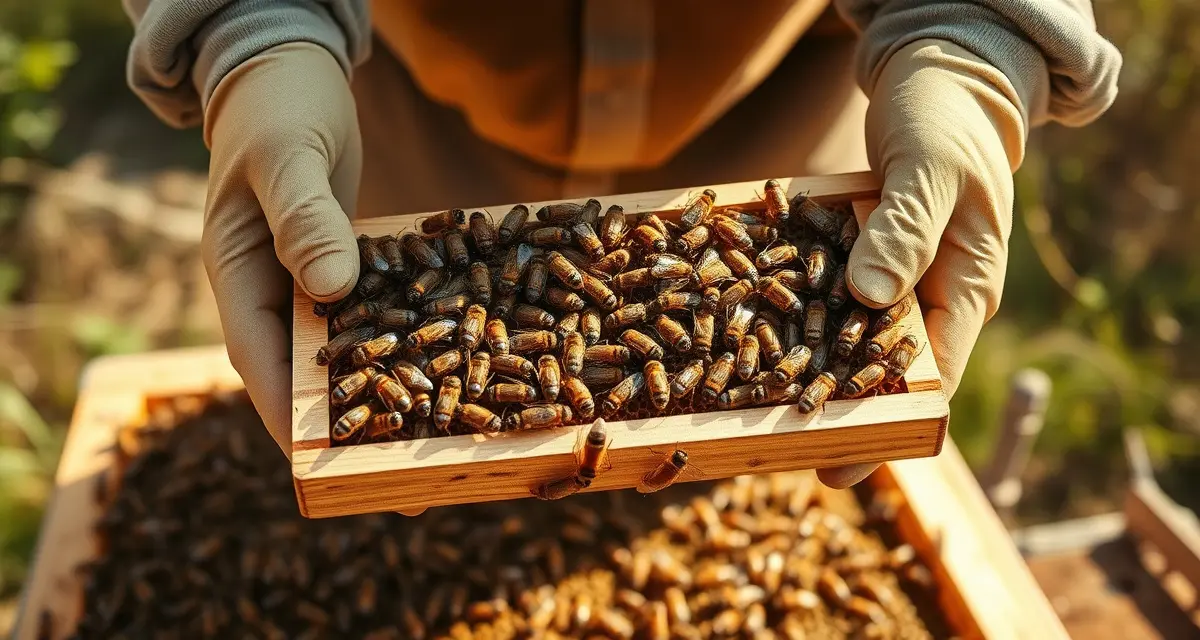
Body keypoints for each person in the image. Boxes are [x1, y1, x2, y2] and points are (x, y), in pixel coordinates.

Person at [123, 1, 1120, 489]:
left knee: (730, 466)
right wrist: (251, 28)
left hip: (790, 119)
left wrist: (970, 37)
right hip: (392, 119)